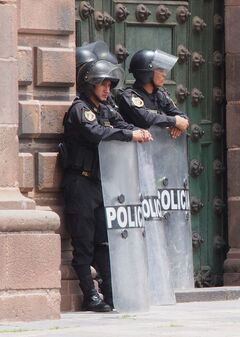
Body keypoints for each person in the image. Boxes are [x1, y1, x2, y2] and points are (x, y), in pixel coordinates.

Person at [61, 59, 152, 312]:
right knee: (84, 242)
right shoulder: (81, 109)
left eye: (110, 85)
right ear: (90, 84)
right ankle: (90, 295)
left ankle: (112, 293)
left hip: (100, 183)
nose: (107, 89)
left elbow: (123, 125)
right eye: (102, 84)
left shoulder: (106, 109)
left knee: (104, 241)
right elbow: (95, 133)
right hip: (79, 182)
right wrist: (129, 135)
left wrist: (140, 132)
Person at [118, 49, 189, 138]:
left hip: (159, 148)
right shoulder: (129, 96)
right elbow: (145, 119)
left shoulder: (160, 95)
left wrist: (179, 125)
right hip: (136, 149)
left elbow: (181, 116)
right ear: (147, 72)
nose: (164, 75)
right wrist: (174, 121)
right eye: (160, 70)